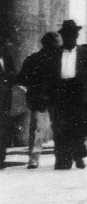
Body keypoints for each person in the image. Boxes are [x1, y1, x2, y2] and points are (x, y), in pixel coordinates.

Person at [51, 21, 87, 170]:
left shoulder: (84, 52)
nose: (70, 38)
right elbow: (50, 76)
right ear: (63, 36)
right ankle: (63, 160)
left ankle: (78, 155)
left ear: (77, 36)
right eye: (67, 35)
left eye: (73, 35)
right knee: (60, 126)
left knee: (77, 125)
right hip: (61, 91)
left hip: (78, 91)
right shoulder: (55, 53)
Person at [17, 33, 60, 169]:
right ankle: (38, 158)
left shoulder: (33, 59)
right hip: (44, 98)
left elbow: (21, 81)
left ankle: (34, 159)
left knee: (38, 128)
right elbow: (22, 80)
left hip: (44, 98)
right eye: (55, 45)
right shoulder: (36, 60)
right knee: (42, 128)